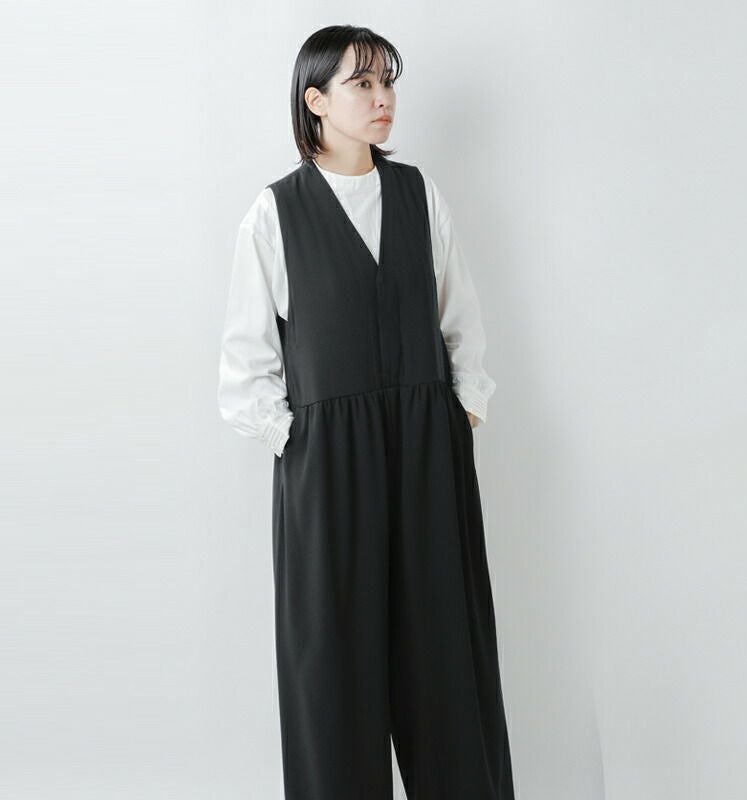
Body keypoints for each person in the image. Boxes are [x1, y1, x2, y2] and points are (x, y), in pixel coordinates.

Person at [218, 24, 516, 800]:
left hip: (427, 453)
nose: (383, 98)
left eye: (388, 82)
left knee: (446, 663)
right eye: (363, 83)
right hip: (327, 465)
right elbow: (245, 368)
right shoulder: (274, 214)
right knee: (334, 673)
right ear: (316, 100)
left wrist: (460, 412)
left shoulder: (418, 195)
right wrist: (300, 442)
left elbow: (461, 321)